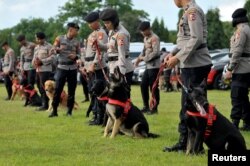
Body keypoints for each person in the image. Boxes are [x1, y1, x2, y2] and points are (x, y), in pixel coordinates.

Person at [163, 0, 212, 152]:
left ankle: (190, 144)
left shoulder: (192, 11)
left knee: (192, 105)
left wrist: (177, 58)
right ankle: (187, 142)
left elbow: (196, 38)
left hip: (195, 64)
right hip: (191, 63)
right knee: (189, 104)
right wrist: (172, 53)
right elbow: (185, 40)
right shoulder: (188, 11)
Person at [225, 8, 250, 131]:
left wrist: (230, 68)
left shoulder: (241, 31)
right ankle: (247, 123)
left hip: (241, 68)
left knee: (236, 96)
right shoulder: (247, 29)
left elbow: (237, 51)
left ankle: (234, 124)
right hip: (246, 67)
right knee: (244, 97)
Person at [100, 8, 134, 98]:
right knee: (113, 95)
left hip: (121, 68)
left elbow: (122, 55)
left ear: (114, 21)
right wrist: (99, 45)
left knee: (123, 96)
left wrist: (121, 73)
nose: (106, 25)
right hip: (113, 67)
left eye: (108, 23)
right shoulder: (112, 31)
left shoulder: (121, 34)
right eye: (104, 23)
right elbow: (110, 47)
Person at [48, 22, 81, 117]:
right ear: (70, 29)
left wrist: (76, 56)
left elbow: (80, 55)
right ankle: (54, 111)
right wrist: (57, 50)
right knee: (58, 90)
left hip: (73, 68)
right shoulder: (59, 38)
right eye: (76, 30)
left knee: (72, 91)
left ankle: (69, 111)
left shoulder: (76, 42)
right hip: (61, 68)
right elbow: (53, 49)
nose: (77, 32)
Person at [82, 11, 109, 125]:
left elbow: (100, 52)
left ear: (97, 21)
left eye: (91, 22)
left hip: (98, 67)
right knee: (92, 91)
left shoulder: (101, 33)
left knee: (99, 93)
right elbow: (88, 52)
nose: (89, 25)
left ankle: (100, 117)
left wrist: (93, 64)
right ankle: (95, 115)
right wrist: (85, 66)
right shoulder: (92, 34)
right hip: (90, 66)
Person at [135, 21, 160, 114]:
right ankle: (146, 106)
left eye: (143, 31)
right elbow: (144, 50)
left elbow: (156, 52)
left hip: (154, 66)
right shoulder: (146, 38)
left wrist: (143, 58)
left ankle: (154, 108)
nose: (142, 33)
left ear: (148, 29)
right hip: (148, 66)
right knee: (143, 85)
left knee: (153, 87)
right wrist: (138, 58)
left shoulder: (154, 38)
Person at [32, 32, 53, 111]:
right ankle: (44, 103)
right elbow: (34, 57)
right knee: (39, 86)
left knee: (44, 87)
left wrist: (42, 61)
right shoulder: (36, 47)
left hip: (45, 70)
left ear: (41, 38)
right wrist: (33, 63)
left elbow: (53, 57)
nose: (36, 40)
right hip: (38, 70)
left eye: (37, 38)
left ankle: (46, 105)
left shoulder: (49, 46)